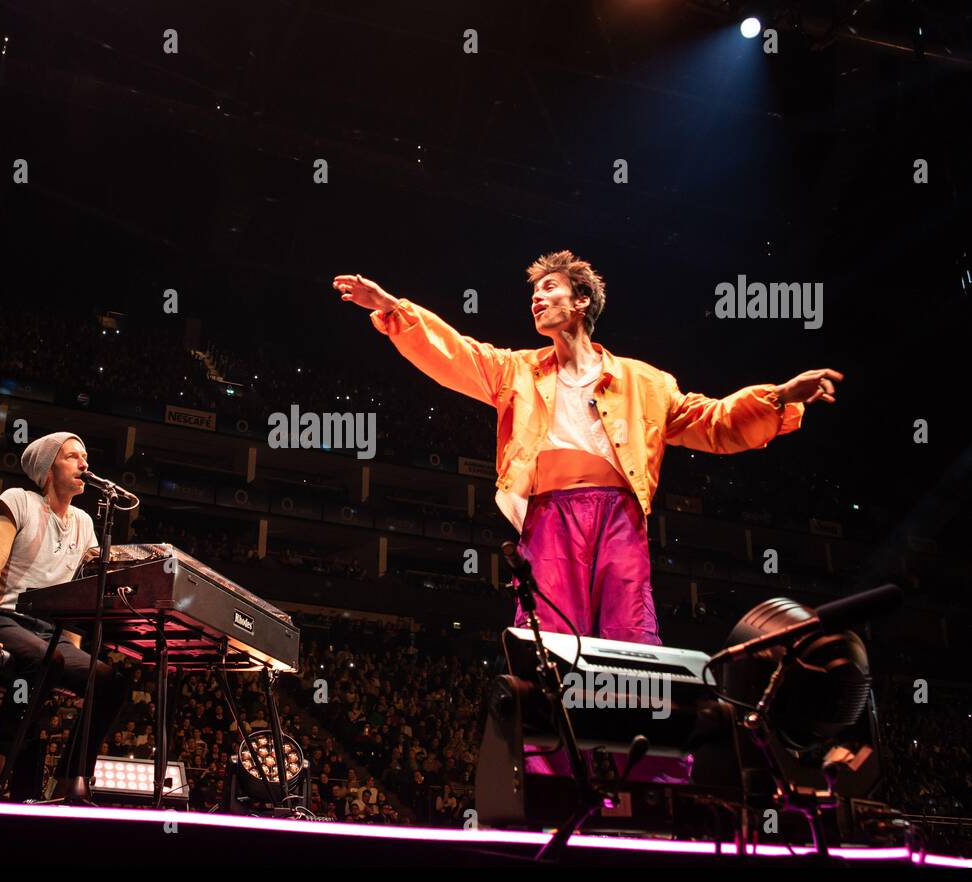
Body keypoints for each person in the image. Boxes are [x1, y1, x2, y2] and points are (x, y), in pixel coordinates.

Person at [333, 252, 842, 645]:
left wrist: (778, 397)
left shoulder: (647, 382)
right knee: (550, 638)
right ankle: (548, 768)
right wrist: (391, 309)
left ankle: (638, 769)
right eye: (532, 292)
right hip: (550, 514)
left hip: (620, 515)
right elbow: (456, 352)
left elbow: (715, 423)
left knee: (631, 632)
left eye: (548, 288)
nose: (536, 298)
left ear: (580, 302)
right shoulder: (516, 370)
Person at [0, 432, 131, 800]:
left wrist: (73, 645)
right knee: (48, 660)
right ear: (48, 468)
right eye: (72, 457)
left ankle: (68, 781)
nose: (85, 464)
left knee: (112, 681)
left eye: (85, 456)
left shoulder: (83, 523)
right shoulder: (16, 501)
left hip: (46, 632)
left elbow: (79, 595)